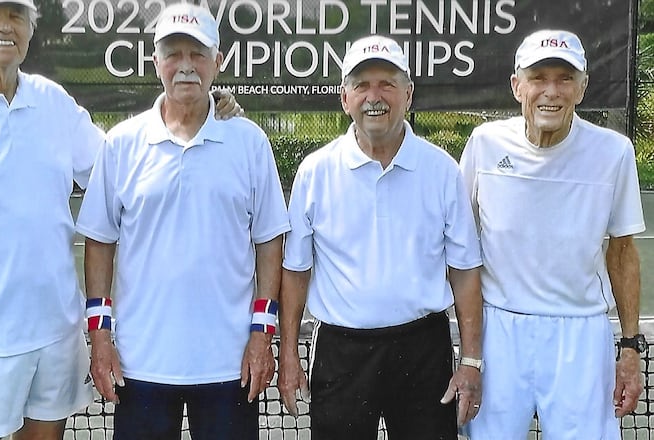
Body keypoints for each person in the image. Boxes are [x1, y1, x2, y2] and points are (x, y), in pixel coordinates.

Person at [0, 1, 240, 439]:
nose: (4, 28)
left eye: (16, 17)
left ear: (30, 30)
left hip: (56, 335)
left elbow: (121, 164)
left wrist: (195, 109)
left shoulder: (52, 101)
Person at [75, 3, 290, 440]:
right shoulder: (121, 144)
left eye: (198, 54)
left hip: (231, 365)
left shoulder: (249, 141)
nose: (186, 67)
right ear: (156, 62)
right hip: (140, 366)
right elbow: (99, 244)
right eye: (174, 54)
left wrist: (261, 335)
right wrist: (100, 339)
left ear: (218, 61)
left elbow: (269, 243)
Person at [278, 35, 484, 439]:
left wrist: (472, 361)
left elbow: (464, 272)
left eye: (387, 83)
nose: (375, 96)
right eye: (361, 85)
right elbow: (296, 272)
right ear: (345, 98)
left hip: (424, 349)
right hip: (341, 353)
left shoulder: (442, 171)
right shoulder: (315, 172)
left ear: (408, 94)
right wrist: (288, 354)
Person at [459, 29, 646, 439]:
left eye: (565, 79)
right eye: (538, 77)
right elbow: (461, 251)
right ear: (516, 86)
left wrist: (631, 346)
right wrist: (468, 353)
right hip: (499, 334)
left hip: (581, 334)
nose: (551, 91)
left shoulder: (615, 152)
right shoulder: (484, 144)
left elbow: (622, 253)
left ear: (582, 88)